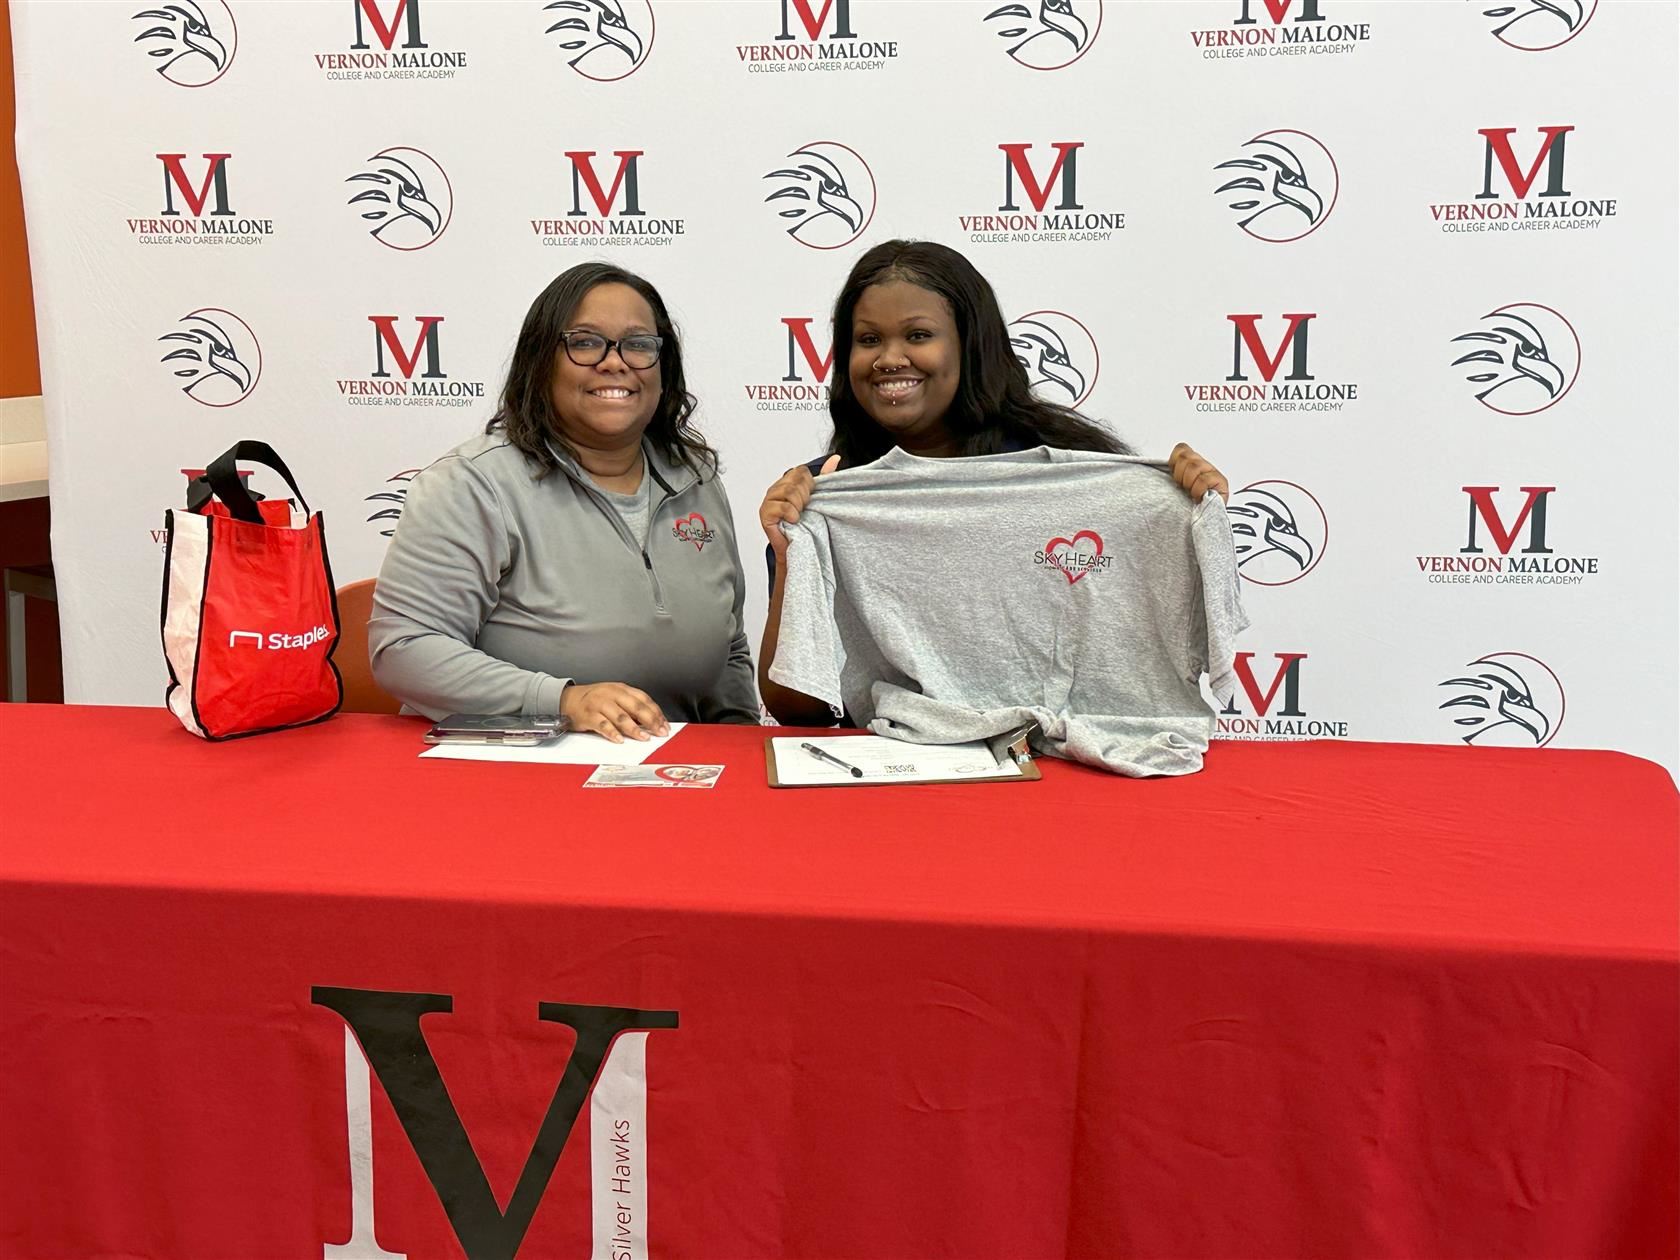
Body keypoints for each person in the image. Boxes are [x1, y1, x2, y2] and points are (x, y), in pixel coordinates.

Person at [757, 239, 1229, 726]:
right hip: (902, 778)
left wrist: (1179, 504)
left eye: (918, 335)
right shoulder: (824, 494)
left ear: (972, 344)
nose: (889, 359)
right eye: (869, 340)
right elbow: (798, 709)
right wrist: (794, 556)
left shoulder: (1070, 475)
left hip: (1057, 774)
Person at [369, 262, 758, 740]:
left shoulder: (696, 480)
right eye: (586, 342)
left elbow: (729, 646)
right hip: (516, 774)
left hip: (674, 773)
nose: (615, 362)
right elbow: (405, 649)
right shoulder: (473, 484)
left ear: (663, 368)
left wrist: (741, 739)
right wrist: (564, 701)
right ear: (541, 360)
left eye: (639, 345)